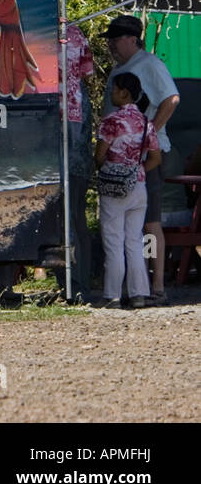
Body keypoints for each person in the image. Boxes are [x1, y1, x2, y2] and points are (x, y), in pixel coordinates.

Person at [101, 15, 180, 304]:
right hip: (120, 163)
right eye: (109, 39)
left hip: (149, 156)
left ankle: (156, 285)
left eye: (115, 38)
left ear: (132, 39)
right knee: (128, 226)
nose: (110, 44)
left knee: (149, 221)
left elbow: (171, 99)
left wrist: (147, 135)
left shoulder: (150, 64)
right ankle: (135, 286)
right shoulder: (119, 69)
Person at [95, 72, 160, 308]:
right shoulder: (145, 122)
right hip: (138, 184)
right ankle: (139, 293)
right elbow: (155, 158)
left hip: (114, 188)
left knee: (113, 241)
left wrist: (112, 170)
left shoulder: (111, 121)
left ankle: (112, 294)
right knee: (134, 240)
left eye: (114, 89)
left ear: (124, 93)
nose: (111, 92)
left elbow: (100, 156)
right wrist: (136, 170)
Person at [63, 24, 96, 300]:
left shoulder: (35, 28)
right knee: (76, 214)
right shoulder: (75, 33)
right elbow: (87, 73)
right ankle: (79, 283)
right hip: (77, 124)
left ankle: (72, 283)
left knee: (64, 216)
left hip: (47, 118)